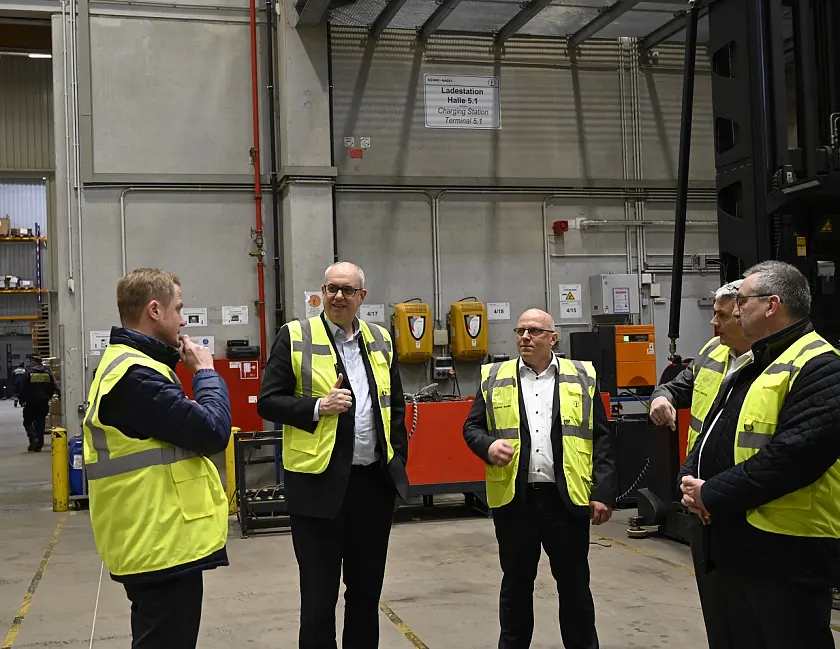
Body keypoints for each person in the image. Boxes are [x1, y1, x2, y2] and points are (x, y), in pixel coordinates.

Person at [679, 260, 840, 649]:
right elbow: (709, 430)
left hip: (788, 551)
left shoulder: (821, 366)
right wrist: (691, 481)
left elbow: (790, 459)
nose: (735, 311)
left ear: (771, 305)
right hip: (736, 540)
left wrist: (710, 493)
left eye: (743, 302)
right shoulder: (753, 362)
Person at [257, 261, 410, 649]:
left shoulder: (381, 339)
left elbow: (395, 405)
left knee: (365, 598)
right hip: (317, 489)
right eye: (331, 288)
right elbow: (268, 402)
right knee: (318, 602)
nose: (338, 296)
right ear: (321, 293)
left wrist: (396, 462)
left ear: (362, 297)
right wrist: (317, 407)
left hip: (372, 487)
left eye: (347, 290)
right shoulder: (294, 336)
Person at [82, 268, 232, 649]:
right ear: (154, 310)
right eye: (178, 309)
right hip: (158, 543)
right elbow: (213, 432)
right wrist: (206, 373)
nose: (183, 320)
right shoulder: (134, 377)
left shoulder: (135, 365)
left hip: (157, 538)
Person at [462, 308, 616, 649]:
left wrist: (603, 491)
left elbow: (601, 436)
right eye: (520, 331)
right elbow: (471, 427)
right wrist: (487, 446)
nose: (525, 337)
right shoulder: (495, 376)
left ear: (553, 338)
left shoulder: (581, 376)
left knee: (575, 587)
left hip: (566, 501)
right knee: (516, 587)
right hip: (516, 501)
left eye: (534, 331)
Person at [649, 279, 756, 649]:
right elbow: (680, 385)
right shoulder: (713, 350)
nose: (712, 322)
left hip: (748, 504)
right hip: (699, 500)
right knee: (716, 606)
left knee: (754, 611)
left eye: (721, 315)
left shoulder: (771, 364)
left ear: (747, 314)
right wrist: (661, 397)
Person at [18, 355, 59, 452]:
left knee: (27, 421)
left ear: (33, 362)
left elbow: (22, 388)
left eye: (31, 361)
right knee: (40, 421)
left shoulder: (28, 373)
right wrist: (47, 396)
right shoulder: (47, 373)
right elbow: (53, 387)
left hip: (31, 402)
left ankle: (33, 438)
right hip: (43, 402)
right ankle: (39, 443)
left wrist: (21, 399)